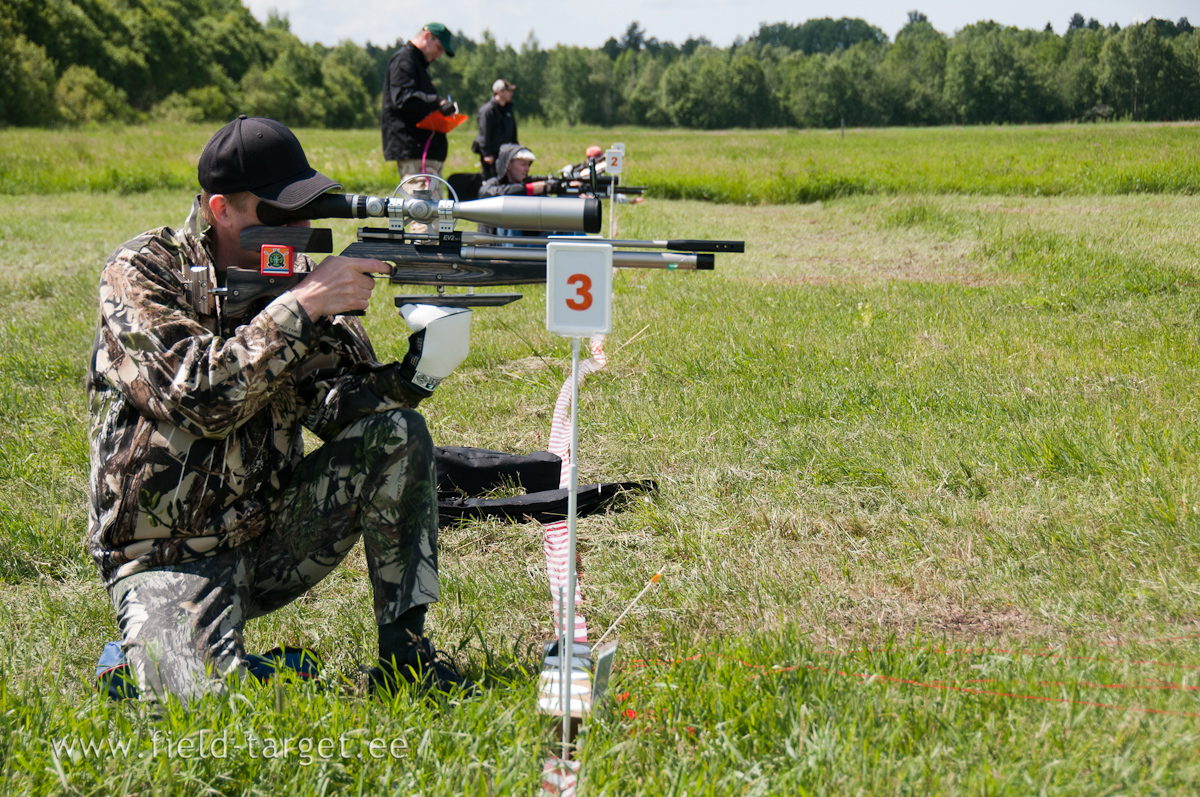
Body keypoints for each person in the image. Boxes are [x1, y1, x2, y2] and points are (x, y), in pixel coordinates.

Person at [88, 115, 476, 704]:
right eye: (280, 214)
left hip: (270, 537)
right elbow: (198, 397)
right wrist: (303, 304)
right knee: (195, 709)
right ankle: (204, 665)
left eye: (307, 211)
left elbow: (340, 407)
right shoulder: (142, 272)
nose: (300, 229)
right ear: (221, 210)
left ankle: (407, 662)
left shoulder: (289, 274)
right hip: (165, 558)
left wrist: (419, 369)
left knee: (398, 434)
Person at [381, 23, 457, 198]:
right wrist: (438, 102)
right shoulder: (404, 61)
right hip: (414, 150)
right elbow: (403, 98)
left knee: (435, 216)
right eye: (438, 48)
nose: (438, 55)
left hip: (426, 151)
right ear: (427, 36)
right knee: (424, 215)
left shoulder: (419, 65)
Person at [475, 143, 550, 235]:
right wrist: (531, 189)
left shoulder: (528, 183)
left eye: (528, 165)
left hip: (530, 245)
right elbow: (485, 193)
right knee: (509, 215)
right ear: (509, 165)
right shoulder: (493, 184)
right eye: (523, 165)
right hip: (496, 245)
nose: (527, 169)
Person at [472, 79, 518, 181]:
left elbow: (513, 133)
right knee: (491, 181)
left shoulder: (508, 111)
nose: (511, 94)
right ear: (500, 92)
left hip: (505, 155)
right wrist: (487, 154)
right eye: (508, 91)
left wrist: (516, 150)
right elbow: (484, 134)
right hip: (492, 157)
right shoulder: (487, 111)